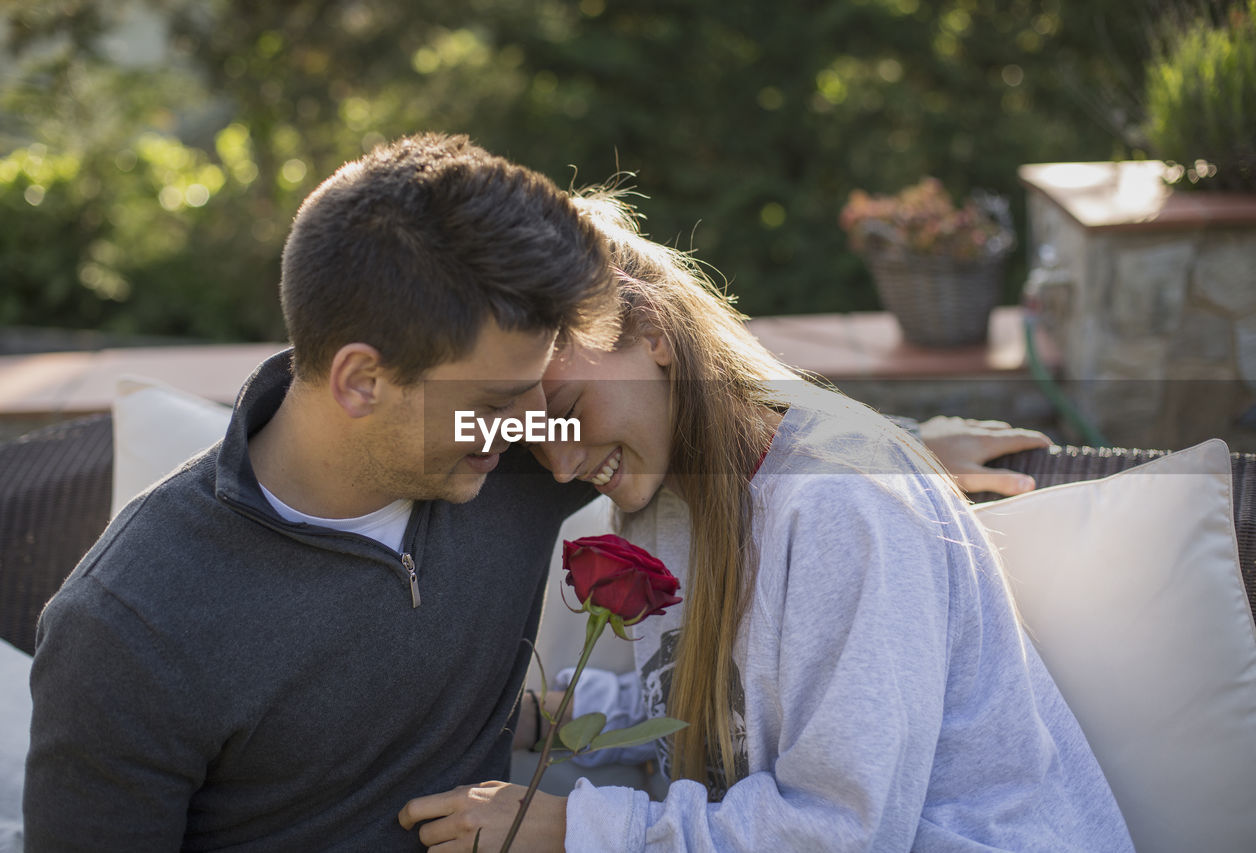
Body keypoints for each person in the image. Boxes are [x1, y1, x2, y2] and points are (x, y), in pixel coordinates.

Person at [399, 191, 1133, 852]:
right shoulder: (663, 498)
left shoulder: (845, 505)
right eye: (536, 440)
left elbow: (844, 829)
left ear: (652, 330)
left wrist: (571, 828)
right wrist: (534, 715)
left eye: (565, 416)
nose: (561, 470)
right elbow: (723, 709)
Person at [23, 133, 615, 851]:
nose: (536, 425)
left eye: (539, 389)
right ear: (361, 381)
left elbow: (719, 401)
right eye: (496, 402)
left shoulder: (507, 455)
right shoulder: (128, 627)